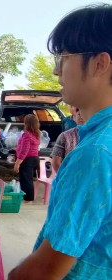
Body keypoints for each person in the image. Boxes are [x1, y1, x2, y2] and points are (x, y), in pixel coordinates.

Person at [8, 4, 112, 279]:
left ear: (100, 63)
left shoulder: (96, 152)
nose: (56, 71)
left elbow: (44, 270)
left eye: (63, 58)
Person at [13, 114, 40, 204]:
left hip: (27, 159)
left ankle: (27, 199)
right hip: (35, 158)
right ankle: (27, 198)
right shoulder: (36, 134)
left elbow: (24, 151)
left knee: (26, 180)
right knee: (28, 179)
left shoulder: (27, 135)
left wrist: (17, 163)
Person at [51, 108, 85, 172]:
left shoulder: (100, 135)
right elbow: (55, 162)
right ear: (75, 116)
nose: (81, 117)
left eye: (84, 114)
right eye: (79, 114)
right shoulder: (65, 136)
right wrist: (64, 177)